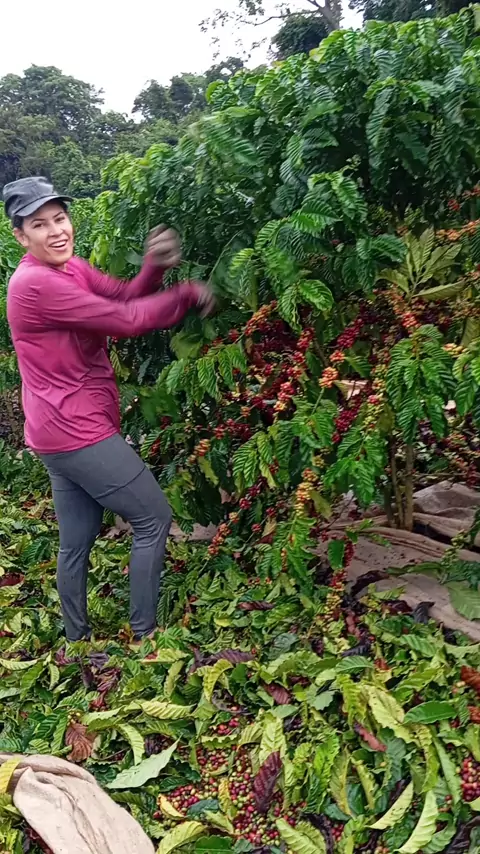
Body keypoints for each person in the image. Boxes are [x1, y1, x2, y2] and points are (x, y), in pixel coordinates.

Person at [3, 176, 215, 644]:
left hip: (53, 431)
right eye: (39, 225)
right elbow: (127, 320)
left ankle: (77, 642)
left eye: (60, 218)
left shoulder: (69, 267)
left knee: (76, 542)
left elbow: (122, 296)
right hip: (75, 429)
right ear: (20, 236)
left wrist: (153, 270)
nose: (56, 231)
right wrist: (185, 295)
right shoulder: (35, 283)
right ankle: (145, 636)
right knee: (153, 518)